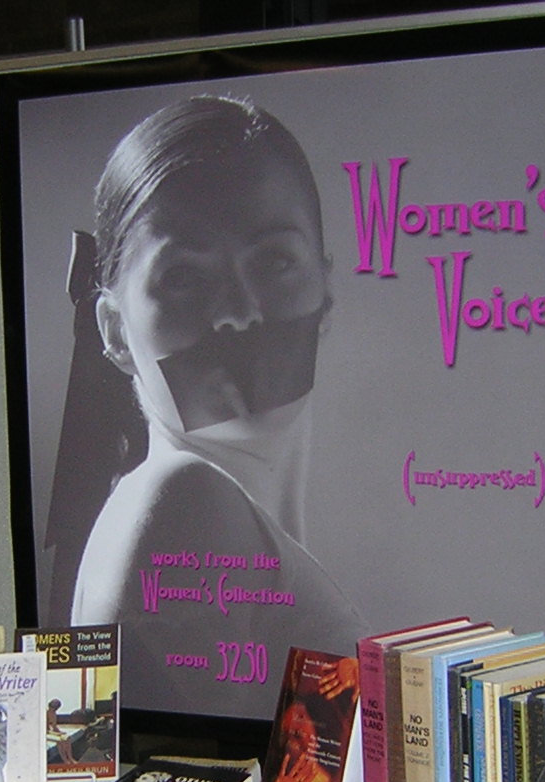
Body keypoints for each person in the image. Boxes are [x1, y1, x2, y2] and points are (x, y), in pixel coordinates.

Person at [62, 96, 366, 699]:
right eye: (183, 276)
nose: (238, 313)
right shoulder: (183, 501)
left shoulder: (206, 513)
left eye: (274, 260)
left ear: (324, 293)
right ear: (115, 333)